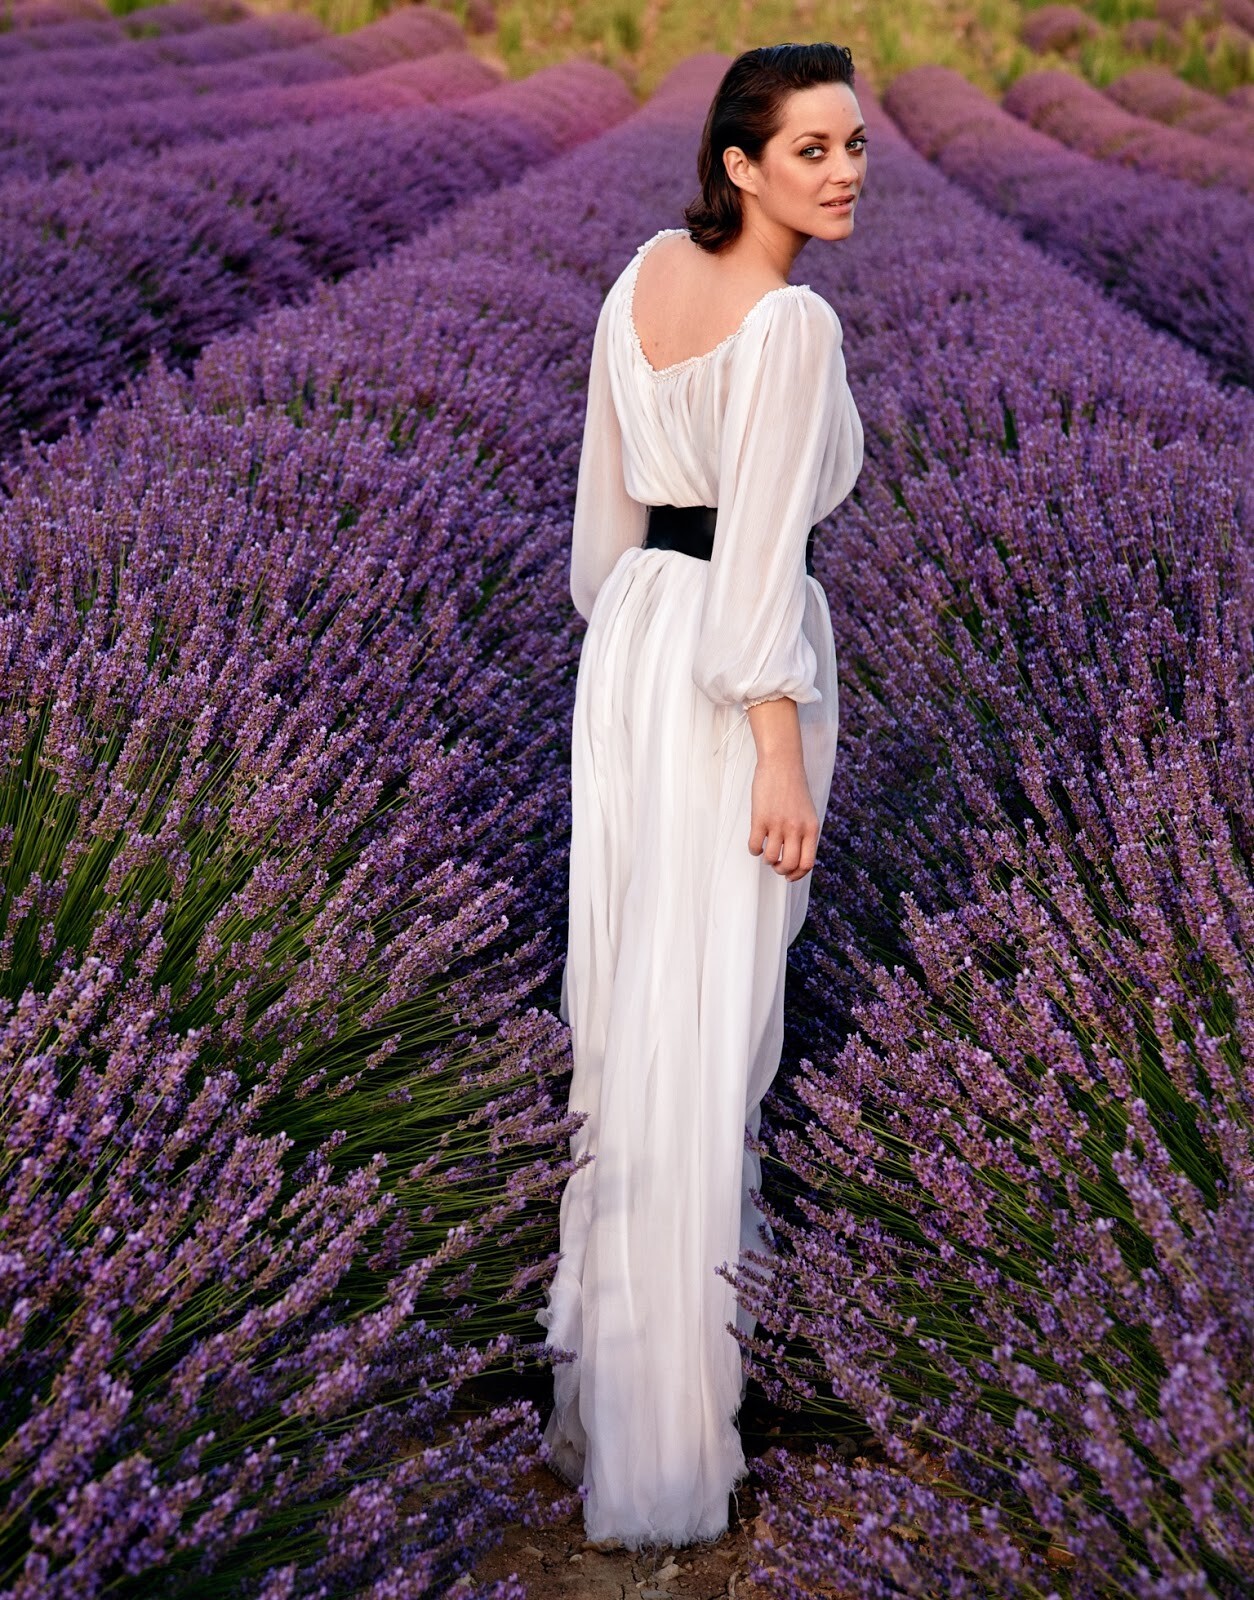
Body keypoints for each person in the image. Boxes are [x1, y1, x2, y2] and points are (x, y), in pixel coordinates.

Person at [535, 41, 868, 1550]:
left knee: (632, 1017)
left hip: (630, 651)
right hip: (735, 680)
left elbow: (604, 534)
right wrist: (777, 748)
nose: (842, 172)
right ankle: (669, 1446)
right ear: (741, 165)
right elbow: (759, 573)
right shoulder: (791, 324)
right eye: (809, 150)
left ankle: (616, 1394)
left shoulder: (639, 278)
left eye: (851, 146)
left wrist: (637, 642)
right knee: (705, 1023)